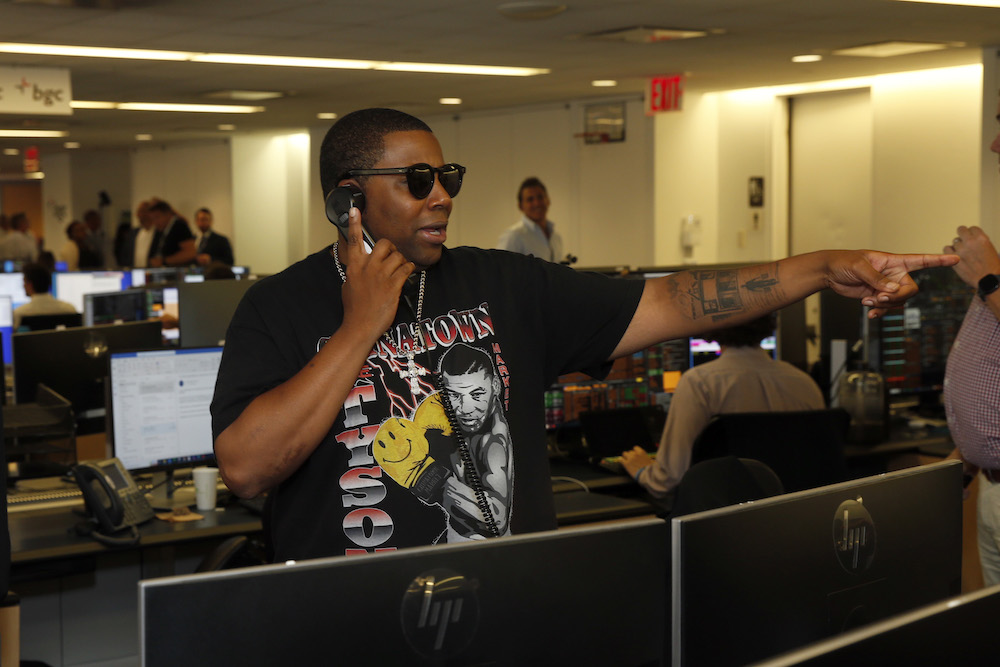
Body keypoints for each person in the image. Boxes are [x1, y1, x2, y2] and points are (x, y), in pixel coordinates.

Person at [211, 107, 956, 562]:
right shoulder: (277, 311)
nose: (442, 196)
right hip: (346, 630)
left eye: (448, 177)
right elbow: (246, 467)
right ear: (349, 199)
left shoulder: (505, 285)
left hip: (507, 616)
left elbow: (675, 299)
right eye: (417, 180)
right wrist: (361, 328)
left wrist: (821, 267)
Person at [619, 314, 825, 506]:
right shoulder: (804, 382)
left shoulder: (699, 383)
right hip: (792, 516)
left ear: (712, 322)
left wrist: (643, 471)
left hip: (721, 521)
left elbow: (669, 480)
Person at [496, 177, 566, 262]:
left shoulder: (556, 238)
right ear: (520, 206)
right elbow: (501, 270)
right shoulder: (513, 236)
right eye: (530, 199)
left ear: (548, 200)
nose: (536, 203)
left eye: (540, 197)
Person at [13, 262, 78, 330]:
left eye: (24, 282)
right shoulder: (69, 309)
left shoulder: (19, 314)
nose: (23, 286)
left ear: (30, 285)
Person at [148, 199, 196, 267]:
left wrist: (164, 261)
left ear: (167, 214)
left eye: (157, 217)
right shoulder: (160, 230)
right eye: (153, 219)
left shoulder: (179, 227)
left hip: (177, 272)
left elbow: (190, 253)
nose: (155, 222)